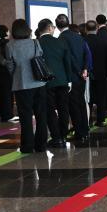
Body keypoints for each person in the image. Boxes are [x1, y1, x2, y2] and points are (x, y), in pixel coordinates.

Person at [4, 19, 48, 153]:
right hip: (39, 83)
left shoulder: (10, 46)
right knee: (41, 115)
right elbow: (41, 57)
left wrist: (17, 73)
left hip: (21, 84)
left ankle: (27, 146)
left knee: (25, 116)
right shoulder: (35, 42)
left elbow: (10, 65)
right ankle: (41, 145)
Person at [37, 18, 72, 147]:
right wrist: (69, 80)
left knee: (50, 109)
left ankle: (56, 137)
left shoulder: (37, 43)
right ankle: (64, 134)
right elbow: (67, 62)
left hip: (46, 82)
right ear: (50, 28)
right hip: (62, 80)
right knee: (63, 108)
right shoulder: (60, 42)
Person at [56, 14, 89, 141]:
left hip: (72, 76)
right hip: (82, 75)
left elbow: (68, 59)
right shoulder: (78, 36)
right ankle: (85, 129)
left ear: (57, 26)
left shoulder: (61, 38)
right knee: (81, 102)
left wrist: (79, 71)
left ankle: (79, 132)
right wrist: (85, 69)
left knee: (73, 105)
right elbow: (86, 53)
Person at [84, 20, 107, 127]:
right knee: (101, 97)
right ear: (97, 28)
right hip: (101, 73)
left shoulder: (83, 41)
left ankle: (88, 119)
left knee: (88, 97)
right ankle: (101, 120)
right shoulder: (103, 41)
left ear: (86, 29)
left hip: (87, 74)